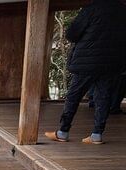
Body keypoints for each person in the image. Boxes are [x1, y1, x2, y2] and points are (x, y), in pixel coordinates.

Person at [45, 0, 126, 144]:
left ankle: (63, 132)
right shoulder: (123, 11)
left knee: (74, 96)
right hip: (111, 62)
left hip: (87, 61)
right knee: (103, 97)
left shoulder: (91, 9)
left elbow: (72, 34)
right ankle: (97, 134)